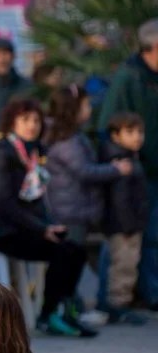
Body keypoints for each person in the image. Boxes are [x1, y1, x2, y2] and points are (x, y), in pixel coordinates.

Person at [0, 99, 93, 337]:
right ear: (12, 123)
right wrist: (41, 229)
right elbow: (3, 204)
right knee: (61, 252)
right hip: (1, 232)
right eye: (25, 120)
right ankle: (48, 315)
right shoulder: (2, 154)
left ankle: (65, 310)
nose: (31, 125)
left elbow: (35, 200)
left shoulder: (30, 154)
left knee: (76, 249)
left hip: (23, 227)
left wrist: (50, 225)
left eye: (35, 120)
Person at [97, 18, 158, 313]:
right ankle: (118, 301)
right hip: (132, 174)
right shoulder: (129, 77)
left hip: (147, 172)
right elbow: (109, 125)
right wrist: (121, 160)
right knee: (125, 243)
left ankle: (143, 294)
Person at [45, 84, 129, 250]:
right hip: (71, 212)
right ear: (73, 109)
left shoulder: (70, 135)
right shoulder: (67, 140)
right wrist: (116, 169)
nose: (89, 110)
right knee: (70, 256)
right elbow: (84, 171)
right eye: (86, 105)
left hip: (75, 208)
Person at [99, 112, 149, 324]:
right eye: (130, 132)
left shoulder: (130, 157)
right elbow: (120, 200)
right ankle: (116, 306)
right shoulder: (119, 162)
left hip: (131, 224)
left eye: (140, 132)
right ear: (116, 136)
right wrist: (128, 224)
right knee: (123, 266)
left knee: (127, 265)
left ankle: (119, 304)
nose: (137, 137)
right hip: (124, 226)